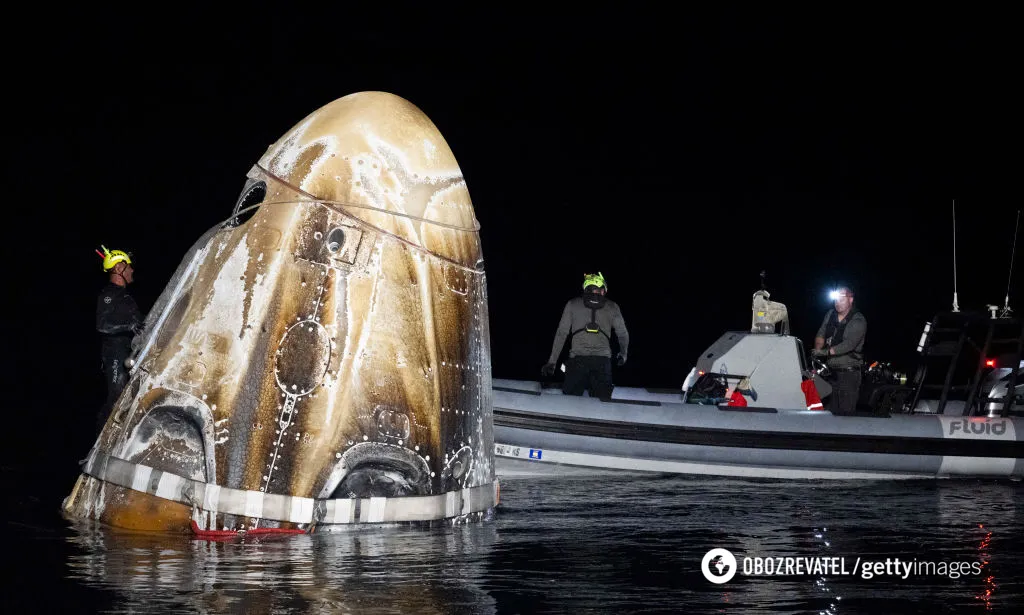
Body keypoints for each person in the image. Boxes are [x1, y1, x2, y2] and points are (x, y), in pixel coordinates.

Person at [541, 272, 629, 400]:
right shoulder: (612, 307)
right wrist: (623, 354)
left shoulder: (572, 304)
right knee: (603, 404)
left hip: (577, 361)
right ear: (602, 289)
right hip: (602, 363)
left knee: (570, 403)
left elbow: (561, 334)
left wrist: (552, 362)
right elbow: (623, 334)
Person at [95, 245, 144, 433]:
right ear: (118, 268)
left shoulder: (127, 298)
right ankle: (103, 438)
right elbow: (102, 325)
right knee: (117, 396)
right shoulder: (108, 294)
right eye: (128, 266)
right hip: (115, 354)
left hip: (129, 353)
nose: (132, 270)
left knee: (130, 396)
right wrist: (129, 326)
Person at [812, 286, 867, 416]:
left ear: (851, 300)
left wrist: (825, 353)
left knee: (845, 415)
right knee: (828, 412)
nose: (838, 303)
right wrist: (818, 354)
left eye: (842, 299)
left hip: (848, 375)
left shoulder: (858, 320)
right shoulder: (830, 314)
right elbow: (821, 334)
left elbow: (849, 345)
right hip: (830, 374)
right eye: (836, 299)